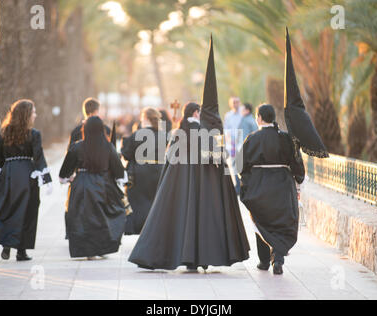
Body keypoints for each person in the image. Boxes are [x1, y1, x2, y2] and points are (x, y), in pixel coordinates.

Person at [128, 36, 250, 271]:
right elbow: (217, 160)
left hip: (180, 187)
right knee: (201, 222)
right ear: (196, 113)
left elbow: (169, 159)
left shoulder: (178, 132)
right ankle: (200, 256)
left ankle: (177, 256)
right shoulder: (204, 134)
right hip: (204, 189)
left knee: (180, 220)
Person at [238, 104, 304, 275]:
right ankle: (279, 258)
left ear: (259, 117)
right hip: (282, 186)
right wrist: (298, 182)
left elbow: (240, 166)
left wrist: (246, 183)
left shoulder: (252, 138)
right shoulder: (286, 138)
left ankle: (264, 261)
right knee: (281, 224)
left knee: (261, 222)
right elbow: (297, 163)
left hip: (260, 188)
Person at [0, 99, 52, 261]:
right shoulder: (34, 134)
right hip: (26, 175)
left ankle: (7, 244)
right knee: (27, 210)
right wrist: (45, 178)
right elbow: (38, 156)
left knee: (8, 208)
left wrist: (7, 167)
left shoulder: (4, 132)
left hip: (8, 174)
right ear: (26, 115)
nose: (35, 115)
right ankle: (21, 251)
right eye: (33, 112)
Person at [59, 116, 126, 259]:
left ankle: (87, 251)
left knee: (83, 219)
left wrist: (67, 178)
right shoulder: (108, 146)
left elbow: (64, 172)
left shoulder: (77, 146)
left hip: (82, 185)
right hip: (103, 184)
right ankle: (101, 248)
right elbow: (118, 170)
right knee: (101, 218)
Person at [121, 107, 165, 235]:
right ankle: (155, 229)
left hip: (140, 173)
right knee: (155, 202)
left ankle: (141, 229)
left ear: (146, 119)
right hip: (158, 171)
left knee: (139, 204)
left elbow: (127, 154)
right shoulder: (164, 135)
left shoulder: (138, 135)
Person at [224, 96, 243, 194]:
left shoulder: (243, 114)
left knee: (242, 163)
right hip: (231, 144)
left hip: (242, 142)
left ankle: (243, 184)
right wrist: (230, 140)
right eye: (234, 102)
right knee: (233, 165)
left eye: (237, 102)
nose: (235, 104)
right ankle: (237, 185)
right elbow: (226, 129)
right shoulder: (228, 115)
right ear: (230, 104)